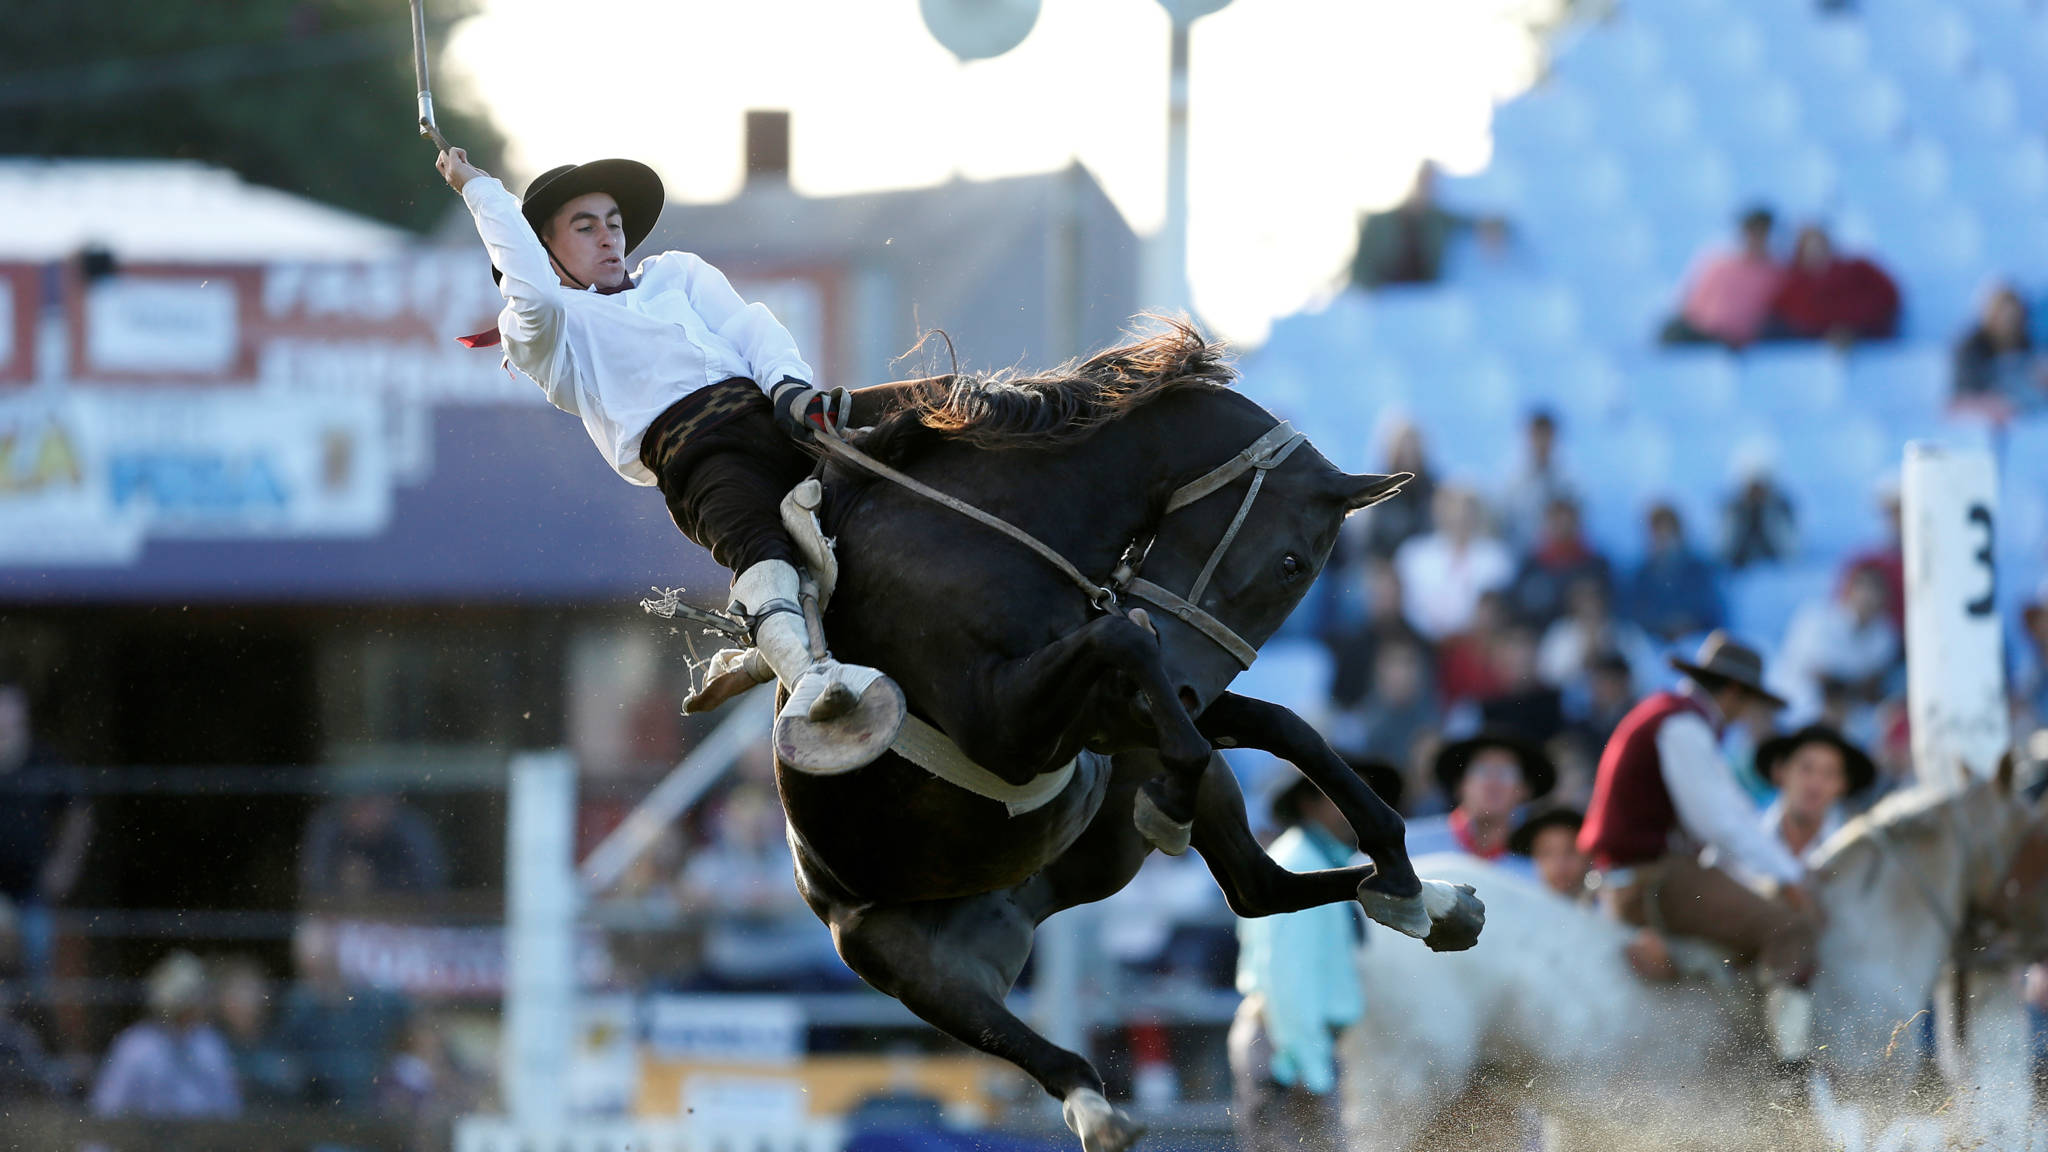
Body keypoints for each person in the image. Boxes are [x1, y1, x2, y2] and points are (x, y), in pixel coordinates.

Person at [435, 148, 905, 770]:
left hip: (779, 416)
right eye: (584, 226)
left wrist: (791, 385)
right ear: (543, 252)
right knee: (760, 551)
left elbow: (749, 326)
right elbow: (533, 295)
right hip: (698, 456)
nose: (609, 237)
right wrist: (479, 189)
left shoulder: (675, 273)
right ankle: (817, 684)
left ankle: (763, 643)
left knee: (919, 431)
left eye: (613, 222)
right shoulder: (545, 332)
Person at [1577, 632, 1820, 1068]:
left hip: (1638, 874)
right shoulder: (1685, 725)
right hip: (1652, 878)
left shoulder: (1675, 718)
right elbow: (1717, 820)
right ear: (1732, 692)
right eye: (1747, 702)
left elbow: (1729, 812)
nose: (1746, 714)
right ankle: (1790, 1067)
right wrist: (1790, 876)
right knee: (1791, 931)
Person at [1229, 769, 1384, 1152]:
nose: (1354, 806)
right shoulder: (1299, 864)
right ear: (1308, 804)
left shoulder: (1318, 859)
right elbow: (1286, 974)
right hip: (1289, 1050)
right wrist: (1310, 1069)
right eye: (1339, 795)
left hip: (1295, 1045)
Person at [0, 681, 93, 980]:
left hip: (31, 889)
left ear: (23, 717)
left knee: (36, 974)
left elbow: (80, 811)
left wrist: (65, 865)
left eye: (9, 712)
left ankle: (28, 1026)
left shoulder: (45, 760)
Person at [270, 918, 412, 1111]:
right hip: (324, 1113)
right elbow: (285, 1061)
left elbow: (415, 1025)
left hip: (376, 1107)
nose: (316, 972)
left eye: (322, 960)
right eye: (309, 965)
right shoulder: (298, 1008)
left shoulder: (375, 999)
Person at [90, 952, 240, 1118]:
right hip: (145, 1139)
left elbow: (228, 1109)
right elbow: (107, 1108)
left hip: (202, 1140)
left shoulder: (210, 1044)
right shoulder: (136, 1046)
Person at [1774, 561, 1900, 725]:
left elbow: (1872, 685)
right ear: (1849, 589)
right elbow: (1817, 674)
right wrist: (1852, 685)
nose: (1869, 597)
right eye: (1864, 587)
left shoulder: (1886, 635)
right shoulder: (1816, 618)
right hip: (1802, 703)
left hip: (1853, 712)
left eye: (1877, 590)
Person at [1403, 731, 1556, 864]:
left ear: (1524, 790)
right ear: (1460, 784)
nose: (1493, 782)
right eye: (1481, 771)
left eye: (1506, 773)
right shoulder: (1407, 846)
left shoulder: (1536, 867)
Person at [1394, 485, 1514, 641]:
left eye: (1465, 508)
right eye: (1451, 507)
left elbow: (1494, 609)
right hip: (1421, 642)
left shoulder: (1497, 558)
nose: (1458, 515)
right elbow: (1407, 604)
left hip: (1477, 646)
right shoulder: (1413, 555)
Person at [1660, 206, 1784, 348]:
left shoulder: (1775, 272)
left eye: (1762, 233)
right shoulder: (1719, 264)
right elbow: (1692, 302)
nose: (1757, 239)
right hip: (1704, 331)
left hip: (1741, 338)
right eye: (1753, 232)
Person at [1751, 726, 1875, 868]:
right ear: (1780, 771)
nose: (1815, 785)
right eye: (1806, 768)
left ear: (1843, 785)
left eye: (1829, 774)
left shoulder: (1856, 855)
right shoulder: (1747, 836)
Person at [1763, 224, 1900, 346]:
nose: (1815, 252)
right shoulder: (1793, 282)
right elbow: (1790, 313)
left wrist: (1848, 323)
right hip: (1813, 342)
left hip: (1862, 336)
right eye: (1809, 247)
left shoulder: (1857, 269)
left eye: (1819, 245)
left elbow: (1888, 296)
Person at [299, 790, 449, 902]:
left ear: (388, 807)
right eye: (358, 808)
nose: (366, 815)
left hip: (403, 919)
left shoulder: (409, 830)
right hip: (343, 917)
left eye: (371, 806)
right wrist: (342, 881)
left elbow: (429, 881)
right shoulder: (331, 829)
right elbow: (314, 881)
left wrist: (378, 882)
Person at [1347, 162, 1467, 290]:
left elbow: (1468, 223)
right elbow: (1360, 268)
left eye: (1431, 182)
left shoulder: (1439, 221)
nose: (1426, 187)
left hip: (1425, 298)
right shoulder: (1378, 223)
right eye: (1423, 180)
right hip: (1384, 298)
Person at [1621, 503, 1725, 644]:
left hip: (1696, 642)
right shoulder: (1642, 574)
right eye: (1657, 532)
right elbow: (1633, 615)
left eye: (1666, 531)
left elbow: (1712, 610)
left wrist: (1689, 624)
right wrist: (1663, 627)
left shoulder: (1698, 570)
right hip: (1655, 647)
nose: (1662, 538)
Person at [1507, 495, 1610, 629]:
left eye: (1567, 519)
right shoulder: (1531, 566)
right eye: (1557, 519)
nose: (1563, 525)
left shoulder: (1595, 566)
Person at [1952, 284, 2046, 413]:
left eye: (2014, 316)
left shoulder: (2025, 341)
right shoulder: (1970, 348)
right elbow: (1959, 398)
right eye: (2003, 315)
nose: (2009, 321)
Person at [1498, 409, 1577, 552]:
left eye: (1546, 436)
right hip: (1522, 556)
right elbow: (1504, 525)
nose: (1541, 443)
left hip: (1560, 557)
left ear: (1554, 438)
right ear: (1528, 438)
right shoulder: (1513, 482)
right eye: (1536, 436)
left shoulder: (1570, 481)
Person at [1721, 453, 1797, 570]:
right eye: (1753, 487)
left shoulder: (1781, 507)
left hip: (1775, 569)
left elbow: (1791, 550)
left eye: (1760, 486)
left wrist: (1769, 513)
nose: (1756, 492)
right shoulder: (1733, 509)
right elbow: (1723, 550)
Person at [1509, 807, 1589, 901]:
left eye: (1570, 851)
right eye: (1547, 853)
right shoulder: (1520, 906)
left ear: (1589, 854)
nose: (1560, 864)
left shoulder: (1606, 909)